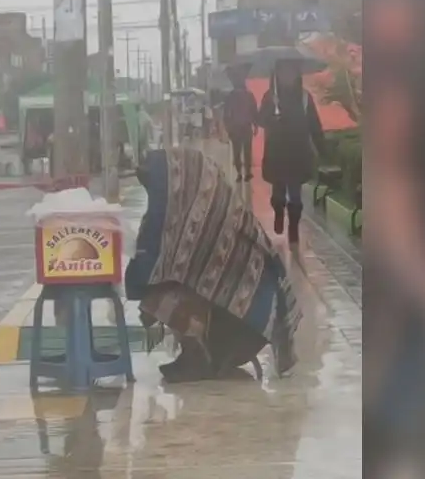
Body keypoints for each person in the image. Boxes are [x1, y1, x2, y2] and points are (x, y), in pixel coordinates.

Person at [124, 147, 301, 383]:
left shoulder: (203, 221)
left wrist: (140, 289)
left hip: (242, 330)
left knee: (162, 291)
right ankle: (199, 353)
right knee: (170, 278)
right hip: (246, 327)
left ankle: (197, 358)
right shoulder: (219, 208)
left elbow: (146, 266)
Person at [258, 59, 326, 244]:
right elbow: (260, 120)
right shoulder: (270, 98)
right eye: (283, 71)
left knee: (295, 196)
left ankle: (293, 227)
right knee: (278, 194)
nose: (288, 75)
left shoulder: (305, 97)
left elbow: (314, 125)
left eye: (292, 71)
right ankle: (279, 211)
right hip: (277, 155)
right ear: (276, 74)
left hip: (298, 153)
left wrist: (322, 148)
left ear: (298, 74)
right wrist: (273, 118)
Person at [222, 63, 258, 181]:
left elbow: (226, 114)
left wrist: (227, 128)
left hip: (235, 128)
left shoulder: (230, 96)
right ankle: (247, 173)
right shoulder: (249, 95)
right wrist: (256, 125)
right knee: (247, 151)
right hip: (246, 127)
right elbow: (254, 112)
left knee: (237, 151)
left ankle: (239, 173)